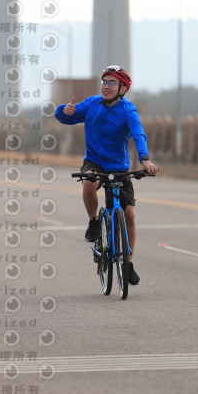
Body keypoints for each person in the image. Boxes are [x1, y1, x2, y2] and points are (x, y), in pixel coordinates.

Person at [55, 65, 159, 285]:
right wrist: (64, 110)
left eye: (112, 83)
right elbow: (67, 118)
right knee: (89, 181)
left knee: (129, 214)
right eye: (104, 82)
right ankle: (94, 222)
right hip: (94, 161)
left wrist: (145, 159)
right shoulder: (92, 103)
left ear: (123, 88)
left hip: (118, 166)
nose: (106, 86)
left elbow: (138, 134)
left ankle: (128, 264)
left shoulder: (128, 110)